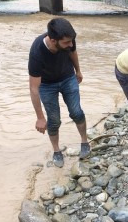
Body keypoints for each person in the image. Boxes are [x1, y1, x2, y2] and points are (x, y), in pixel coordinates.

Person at [28, 18, 91, 168]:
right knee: (54, 120)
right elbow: (33, 88)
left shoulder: (68, 38)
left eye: (71, 41)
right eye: (66, 43)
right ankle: (56, 151)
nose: (70, 44)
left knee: (77, 112)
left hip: (68, 78)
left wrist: (78, 70)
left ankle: (84, 142)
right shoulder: (37, 52)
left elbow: (73, 52)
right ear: (53, 40)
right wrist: (39, 117)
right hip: (47, 85)